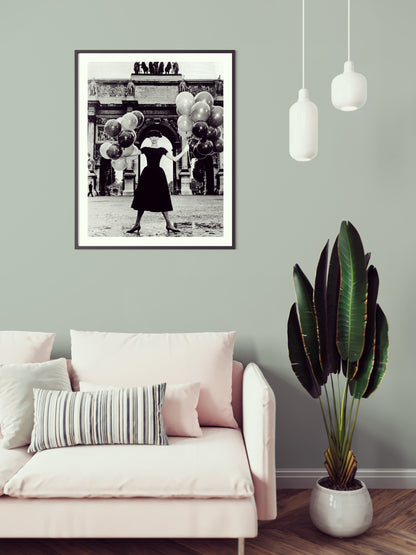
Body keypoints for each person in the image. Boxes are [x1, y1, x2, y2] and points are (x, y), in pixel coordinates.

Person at [127, 129, 189, 234]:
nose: (154, 138)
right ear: (149, 138)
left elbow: (174, 159)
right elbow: (132, 155)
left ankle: (169, 224)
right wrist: (124, 149)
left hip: (158, 175)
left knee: (162, 198)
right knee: (142, 198)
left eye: (156, 136)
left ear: (159, 137)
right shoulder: (145, 149)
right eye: (151, 136)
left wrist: (185, 150)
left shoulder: (162, 149)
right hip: (147, 175)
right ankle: (137, 224)